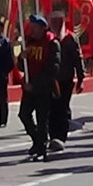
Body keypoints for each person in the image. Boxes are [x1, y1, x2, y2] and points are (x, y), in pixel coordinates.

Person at [18, 15, 61, 160]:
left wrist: (35, 84)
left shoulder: (52, 43)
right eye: (31, 27)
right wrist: (21, 58)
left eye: (35, 28)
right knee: (24, 114)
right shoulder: (29, 42)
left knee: (42, 119)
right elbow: (21, 66)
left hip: (44, 88)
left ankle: (42, 149)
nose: (32, 30)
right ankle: (38, 141)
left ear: (43, 28)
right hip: (28, 88)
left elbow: (53, 68)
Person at [48, 11, 85, 151]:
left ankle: (60, 137)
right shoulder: (47, 38)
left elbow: (78, 59)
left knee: (62, 108)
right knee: (50, 109)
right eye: (53, 21)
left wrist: (81, 79)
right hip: (50, 80)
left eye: (59, 21)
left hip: (65, 80)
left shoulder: (70, 38)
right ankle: (51, 136)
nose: (56, 24)